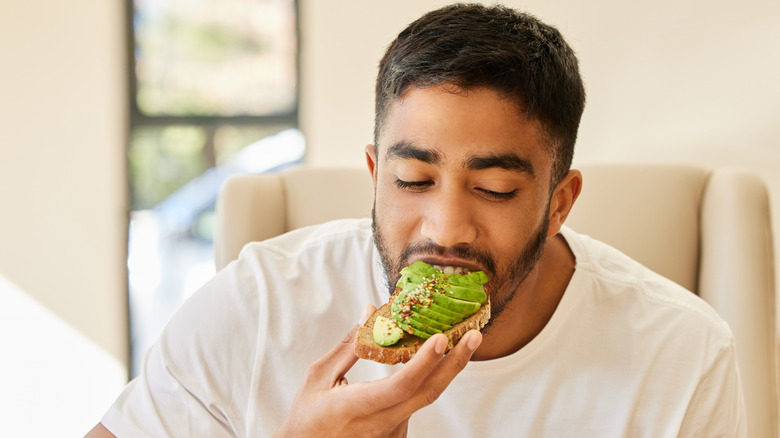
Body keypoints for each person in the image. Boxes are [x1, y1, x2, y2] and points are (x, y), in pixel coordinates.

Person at [88, 4, 745, 437]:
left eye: (493, 188)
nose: (446, 228)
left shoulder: (681, 354)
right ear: (375, 177)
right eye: (413, 180)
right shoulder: (262, 305)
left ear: (560, 203)